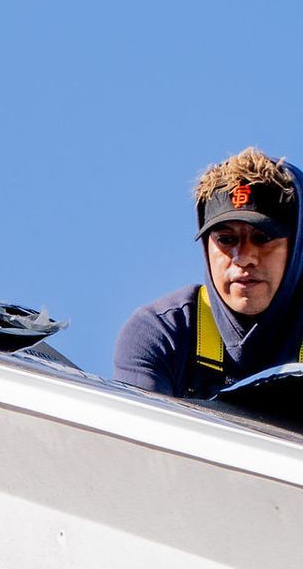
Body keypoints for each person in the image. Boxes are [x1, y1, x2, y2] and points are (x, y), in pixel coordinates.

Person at [115, 149, 303, 403]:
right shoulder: (163, 335)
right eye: (226, 239)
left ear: (297, 246)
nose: (243, 257)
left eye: (263, 238)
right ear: (206, 246)